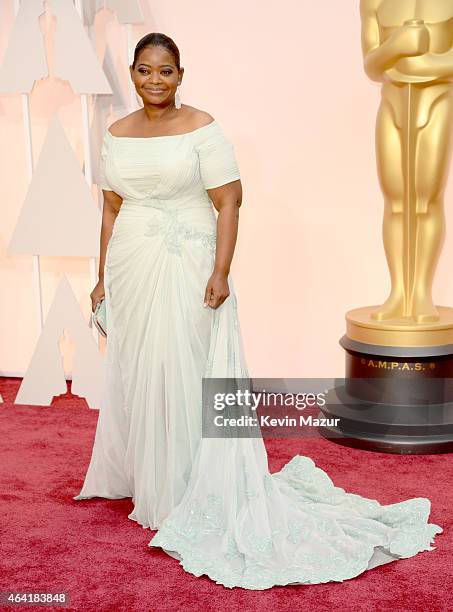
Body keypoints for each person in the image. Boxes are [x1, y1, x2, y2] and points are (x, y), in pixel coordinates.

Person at [74, 32, 442, 590]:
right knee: (142, 369)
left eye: (166, 72)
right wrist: (102, 276)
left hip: (188, 261)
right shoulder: (117, 133)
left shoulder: (202, 126)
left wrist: (220, 272)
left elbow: (229, 200)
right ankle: (154, 479)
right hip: (131, 264)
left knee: (186, 365)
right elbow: (110, 207)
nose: (155, 81)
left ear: (181, 74)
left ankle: (191, 486)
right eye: (145, 71)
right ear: (131, 73)